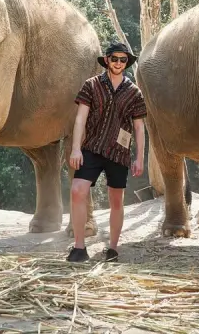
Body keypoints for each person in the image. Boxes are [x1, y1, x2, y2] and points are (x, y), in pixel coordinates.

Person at [67, 41, 147, 263]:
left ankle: (112, 248)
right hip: (91, 148)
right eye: (115, 59)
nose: (118, 63)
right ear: (107, 60)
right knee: (77, 190)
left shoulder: (134, 92)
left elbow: (139, 127)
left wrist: (140, 158)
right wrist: (75, 148)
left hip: (119, 153)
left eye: (123, 59)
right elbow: (80, 118)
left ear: (126, 62)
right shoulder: (91, 85)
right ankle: (79, 247)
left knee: (116, 201)